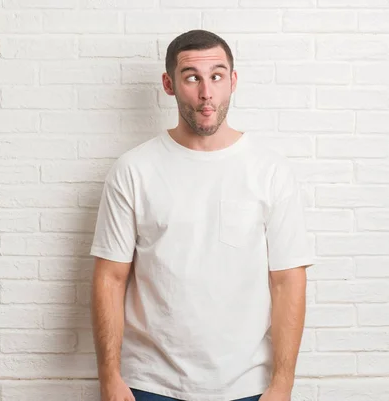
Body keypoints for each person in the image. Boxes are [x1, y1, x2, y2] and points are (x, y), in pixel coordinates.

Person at [89, 29, 314, 401]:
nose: (206, 92)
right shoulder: (134, 170)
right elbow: (110, 278)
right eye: (192, 77)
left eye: (217, 76)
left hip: (247, 385)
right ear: (169, 84)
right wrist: (109, 378)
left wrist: (282, 384)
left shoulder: (269, 171)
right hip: (149, 383)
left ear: (233, 81)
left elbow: (288, 281)